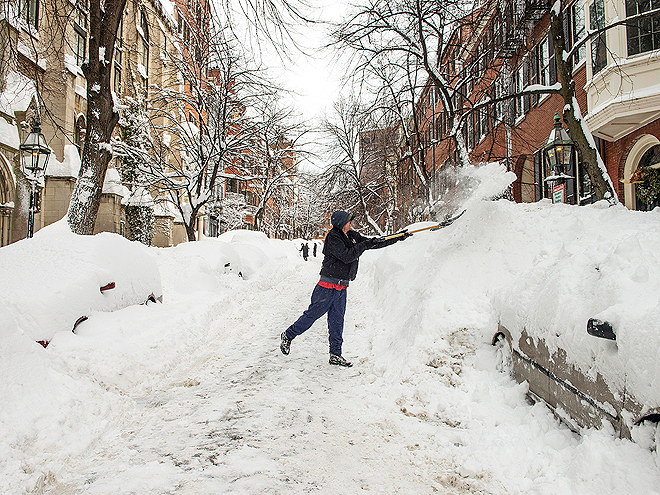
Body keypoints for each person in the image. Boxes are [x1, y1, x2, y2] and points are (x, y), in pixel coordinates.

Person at [280, 211, 412, 367]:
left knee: (337, 321)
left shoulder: (352, 236)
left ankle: (335, 354)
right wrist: (362, 245)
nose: (351, 224)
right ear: (342, 223)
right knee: (311, 316)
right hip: (326, 286)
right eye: (349, 221)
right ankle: (288, 335)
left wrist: (397, 237)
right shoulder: (333, 237)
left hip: (342, 287)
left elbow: (373, 242)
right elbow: (347, 256)